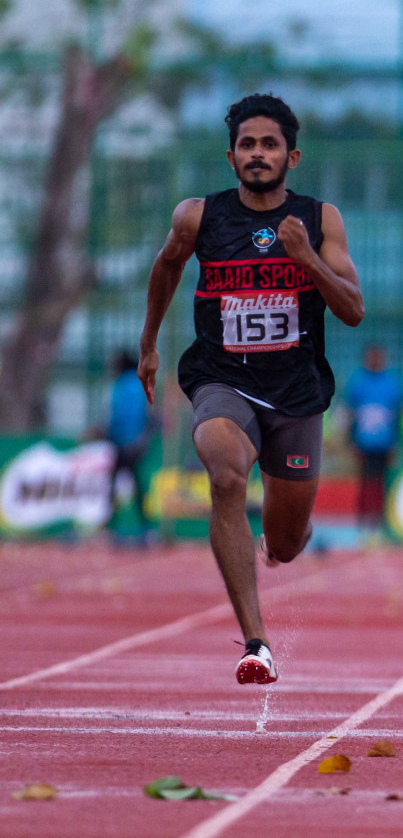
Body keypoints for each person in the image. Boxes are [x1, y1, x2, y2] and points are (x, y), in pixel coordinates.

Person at [138, 93, 364, 684]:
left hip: (295, 391)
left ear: (293, 157)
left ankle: (286, 532)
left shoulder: (321, 219)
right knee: (225, 475)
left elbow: (354, 310)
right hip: (222, 379)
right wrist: (148, 344)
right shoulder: (198, 217)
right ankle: (256, 642)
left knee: (286, 545)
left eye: (269, 145)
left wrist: (307, 259)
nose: (257, 154)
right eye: (247, 144)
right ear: (231, 154)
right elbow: (165, 267)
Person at [344, 344, 403, 544]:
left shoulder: (393, 383)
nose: (376, 361)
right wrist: (351, 441)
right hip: (364, 443)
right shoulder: (357, 383)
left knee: (382, 485)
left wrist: (396, 443)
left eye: (379, 357)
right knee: (365, 485)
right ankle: (363, 527)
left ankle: (380, 527)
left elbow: (398, 415)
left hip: (385, 443)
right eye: (372, 357)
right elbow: (350, 414)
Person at [107, 349, 153, 540]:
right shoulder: (139, 383)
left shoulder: (122, 385)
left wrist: (108, 433)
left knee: (114, 484)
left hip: (124, 443)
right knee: (136, 485)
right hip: (138, 443)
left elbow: (119, 416)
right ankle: (145, 527)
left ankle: (113, 527)